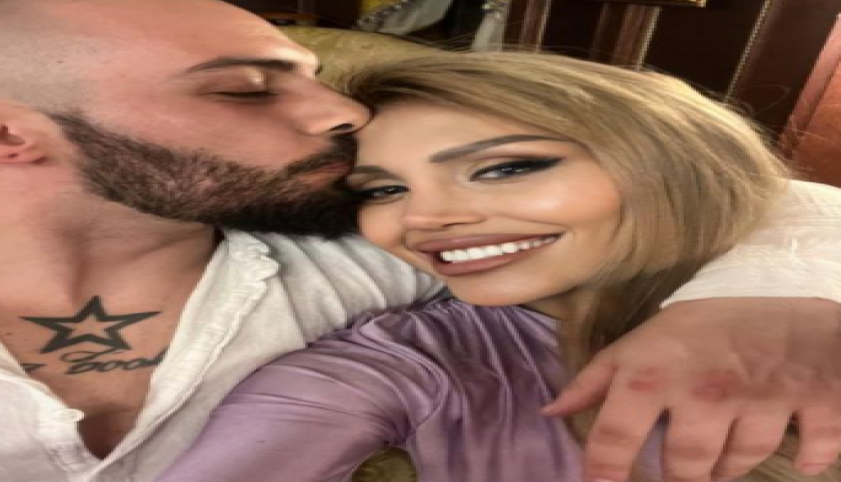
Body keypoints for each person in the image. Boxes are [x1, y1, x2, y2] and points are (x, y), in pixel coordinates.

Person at [0, 0, 838, 482]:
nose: (341, 112)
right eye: (246, 88)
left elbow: (722, 188)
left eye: (310, 75)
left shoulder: (365, 250)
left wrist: (759, 301)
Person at [152, 51, 841, 482]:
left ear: (670, 164)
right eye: (383, 190)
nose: (424, 218)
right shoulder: (401, 362)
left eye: (506, 168)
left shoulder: (803, 279)